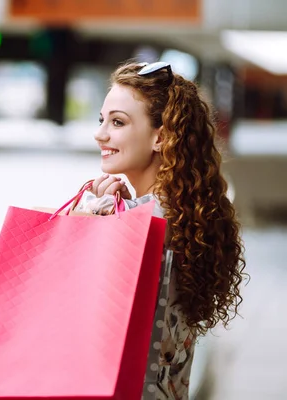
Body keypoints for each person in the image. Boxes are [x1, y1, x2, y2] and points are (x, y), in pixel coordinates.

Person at [75, 61, 247, 399]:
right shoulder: (182, 214)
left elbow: (74, 301)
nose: (100, 134)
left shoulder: (141, 220)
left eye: (118, 122)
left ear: (161, 136)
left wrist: (90, 214)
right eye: (101, 120)